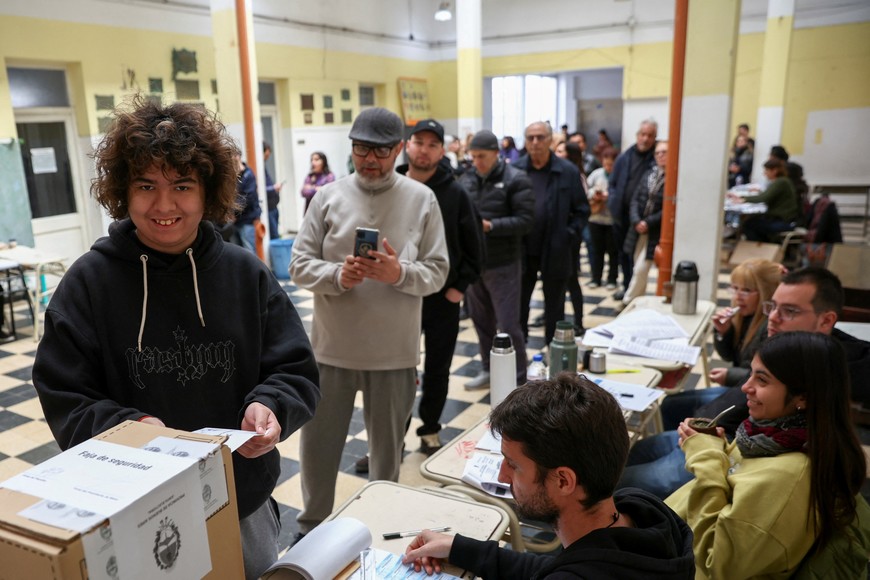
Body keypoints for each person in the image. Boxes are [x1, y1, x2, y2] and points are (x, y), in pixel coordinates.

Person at [30, 97, 321, 580]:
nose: (164, 206)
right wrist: (129, 428)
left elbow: (295, 370)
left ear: (208, 192)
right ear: (124, 191)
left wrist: (272, 404)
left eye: (181, 186)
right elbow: (65, 395)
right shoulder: (87, 284)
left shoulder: (246, 275)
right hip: (134, 509)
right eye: (146, 185)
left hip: (240, 502)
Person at [289, 108, 448, 535]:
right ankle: (311, 528)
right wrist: (337, 275)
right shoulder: (328, 196)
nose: (370, 160)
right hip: (331, 350)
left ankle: (381, 530)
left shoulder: (421, 199)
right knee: (318, 450)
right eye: (361, 149)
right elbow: (299, 264)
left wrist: (399, 274)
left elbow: (438, 270)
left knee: (386, 459)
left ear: (399, 149)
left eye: (380, 151)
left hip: (394, 354)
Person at [401, 373, 696, 578]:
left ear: (564, 481)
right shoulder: (641, 511)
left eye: (513, 465)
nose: (503, 476)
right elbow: (552, 569)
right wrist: (458, 548)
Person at [618, 266, 870, 499]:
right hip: (718, 431)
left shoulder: (829, 366)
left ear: (826, 321)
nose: (773, 318)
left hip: (728, 445)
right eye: (772, 306)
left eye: (789, 311)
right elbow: (740, 360)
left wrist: (708, 448)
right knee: (634, 451)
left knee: (620, 480)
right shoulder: (778, 333)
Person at [666, 332, 870, 579]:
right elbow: (734, 490)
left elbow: (717, 565)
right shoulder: (771, 436)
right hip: (671, 539)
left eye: (761, 380)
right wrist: (719, 450)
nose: (745, 387)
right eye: (750, 373)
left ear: (802, 397)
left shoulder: (788, 479)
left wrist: (707, 458)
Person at [398, 118, 483, 454]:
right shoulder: (392, 186)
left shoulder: (456, 193)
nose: (424, 150)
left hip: (441, 299)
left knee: (437, 368)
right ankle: (391, 437)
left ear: (442, 150)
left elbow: (475, 248)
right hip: (399, 296)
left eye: (433, 144)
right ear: (408, 145)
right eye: (419, 142)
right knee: (398, 371)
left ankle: (430, 429)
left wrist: (458, 289)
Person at [459, 129, 534, 390]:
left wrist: (492, 226)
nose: (477, 161)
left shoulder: (516, 179)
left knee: (509, 325)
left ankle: (520, 380)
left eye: (482, 156)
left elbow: (526, 221)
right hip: (475, 264)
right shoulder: (467, 180)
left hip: (504, 264)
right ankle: (489, 369)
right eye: (473, 156)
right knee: (481, 323)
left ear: (496, 154)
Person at [514, 122, 589, 344]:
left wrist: (568, 234)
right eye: (530, 138)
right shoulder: (516, 170)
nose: (535, 142)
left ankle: (553, 354)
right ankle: (519, 355)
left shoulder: (567, 171)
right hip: (522, 250)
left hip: (556, 249)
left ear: (550, 141)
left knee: (555, 306)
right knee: (519, 305)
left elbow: (582, 210)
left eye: (540, 137)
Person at [608, 119, 657, 301]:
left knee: (638, 259)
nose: (645, 139)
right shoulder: (625, 156)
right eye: (643, 134)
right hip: (621, 215)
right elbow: (613, 183)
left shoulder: (655, 159)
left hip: (642, 219)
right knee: (623, 254)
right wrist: (613, 203)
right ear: (637, 135)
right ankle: (626, 285)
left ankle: (635, 293)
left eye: (650, 135)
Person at [620, 140, 667, 309]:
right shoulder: (649, 174)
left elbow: (668, 208)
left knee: (642, 268)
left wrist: (648, 222)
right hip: (638, 227)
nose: (661, 155)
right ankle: (637, 303)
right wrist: (636, 220)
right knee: (637, 268)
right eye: (658, 152)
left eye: (665, 152)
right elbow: (635, 199)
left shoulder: (673, 178)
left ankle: (627, 301)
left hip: (655, 230)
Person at [730, 158, 798, 242]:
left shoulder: (781, 182)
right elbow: (767, 195)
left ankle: (764, 248)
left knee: (748, 225)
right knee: (752, 221)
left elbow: (764, 197)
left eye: (766, 170)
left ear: (774, 171)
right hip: (783, 219)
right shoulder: (782, 181)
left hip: (783, 221)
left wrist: (743, 199)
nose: (764, 173)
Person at [585, 147, 618, 290]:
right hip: (595, 218)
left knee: (613, 252)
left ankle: (612, 279)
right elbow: (586, 190)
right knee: (596, 250)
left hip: (612, 220)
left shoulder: (619, 175)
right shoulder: (596, 174)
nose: (608, 167)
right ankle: (596, 278)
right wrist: (594, 194)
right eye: (606, 164)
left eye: (611, 164)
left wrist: (609, 197)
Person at [233, 152, 261, 252]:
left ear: (239, 156)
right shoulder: (231, 176)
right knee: (236, 251)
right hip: (234, 221)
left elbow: (248, 198)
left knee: (249, 250)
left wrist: (232, 211)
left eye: (234, 156)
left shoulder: (249, 175)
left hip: (247, 219)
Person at [263, 141, 283, 239]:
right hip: (269, 208)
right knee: (274, 235)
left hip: (273, 206)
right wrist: (273, 188)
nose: (268, 157)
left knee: (275, 232)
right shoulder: (258, 166)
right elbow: (261, 189)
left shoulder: (263, 165)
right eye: (266, 155)